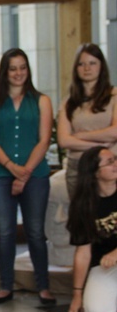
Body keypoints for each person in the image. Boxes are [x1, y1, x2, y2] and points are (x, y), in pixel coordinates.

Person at [0, 48, 56, 305]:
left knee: (36, 231)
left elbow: (44, 139)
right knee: (4, 232)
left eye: (22, 67)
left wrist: (23, 174)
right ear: (5, 71)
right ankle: (5, 285)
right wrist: (11, 167)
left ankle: (43, 286)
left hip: (35, 175)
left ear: (28, 69)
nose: (18, 73)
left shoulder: (42, 101)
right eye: (13, 68)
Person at [57, 43, 117, 198]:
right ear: (76, 69)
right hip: (77, 168)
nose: (87, 68)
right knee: (81, 218)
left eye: (92, 63)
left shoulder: (114, 95)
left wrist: (81, 135)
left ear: (101, 66)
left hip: (109, 169)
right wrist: (100, 145)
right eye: (81, 64)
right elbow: (64, 141)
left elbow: (115, 132)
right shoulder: (68, 102)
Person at [65, 146, 117, 312]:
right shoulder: (83, 205)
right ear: (95, 172)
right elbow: (83, 253)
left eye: (115, 159)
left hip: (113, 257)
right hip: (107, 266)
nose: (116, 164)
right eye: (110, 162)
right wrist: (77, 295)